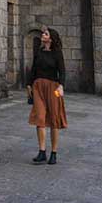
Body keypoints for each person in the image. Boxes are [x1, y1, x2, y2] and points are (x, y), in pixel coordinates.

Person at [27, 26, 67, 165]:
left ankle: (54, 153)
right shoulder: (39, 52)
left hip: (53, 88)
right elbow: (33, 69)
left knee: (54, 119)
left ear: (51, 39)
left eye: (45, 34)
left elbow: (62, 71)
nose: (43, 35)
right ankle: (42, 151)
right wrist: (29, 84)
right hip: (38, 86)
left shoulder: (57, 53)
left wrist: (61, 86)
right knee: (40, 117)